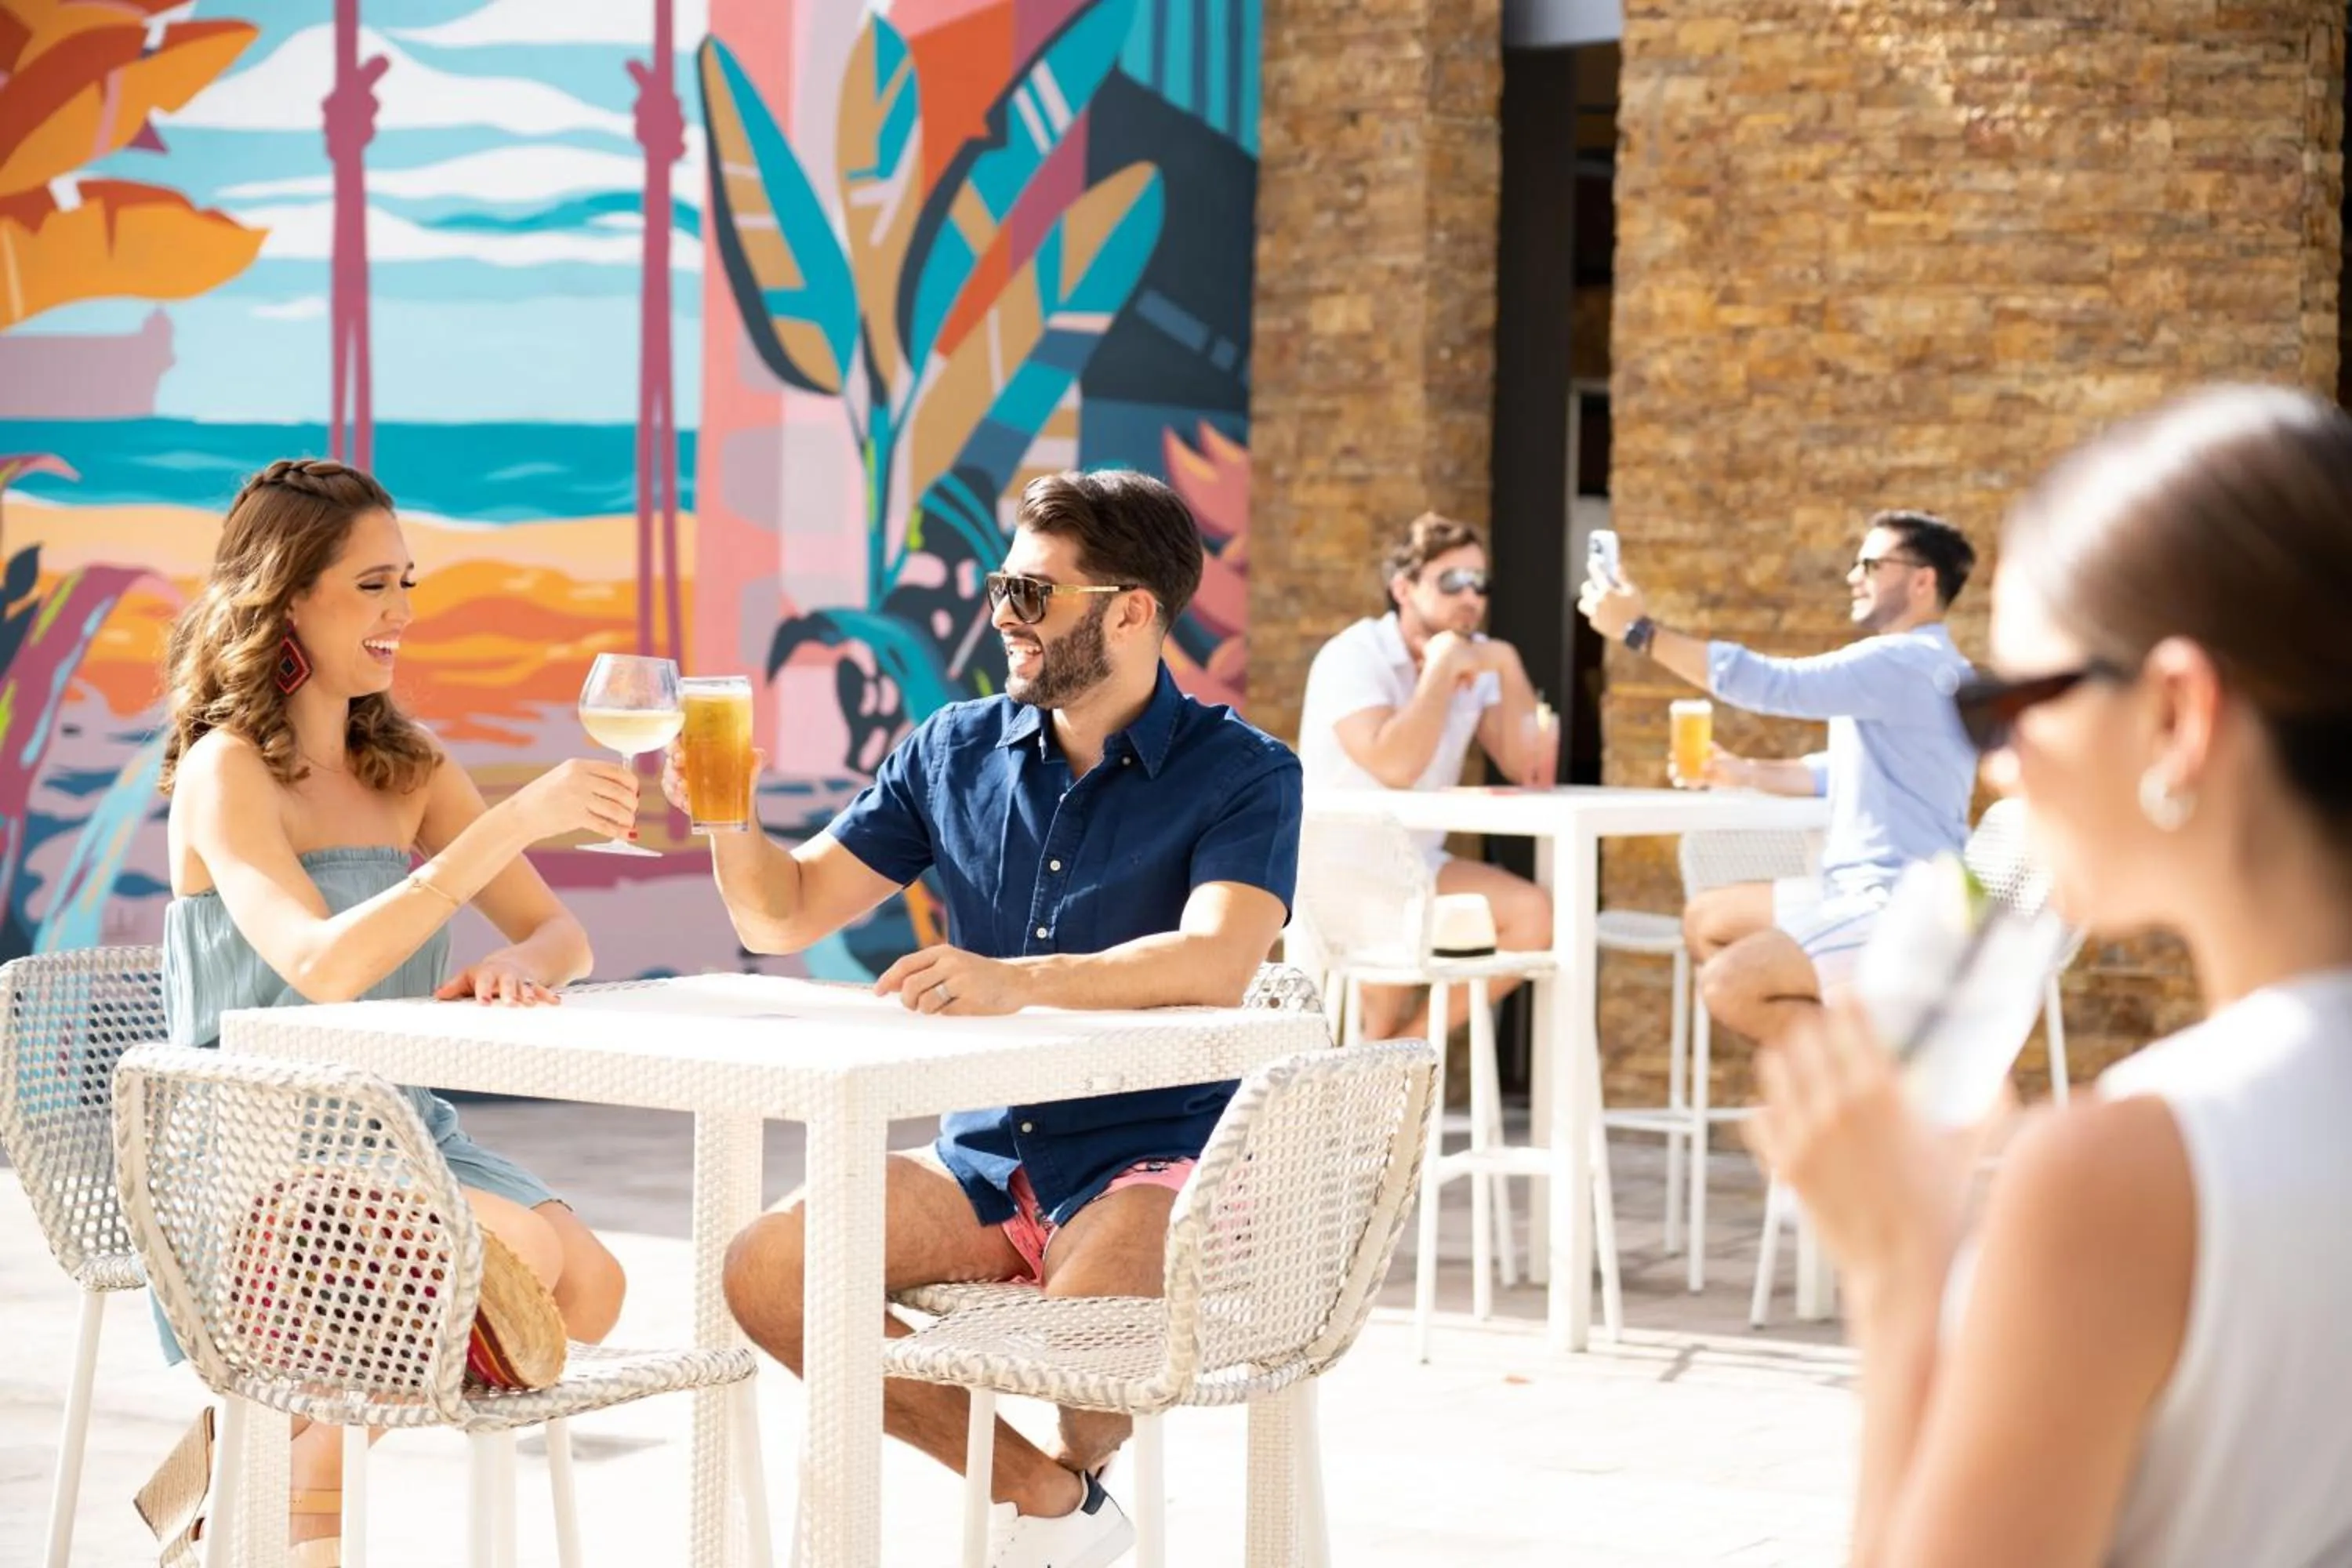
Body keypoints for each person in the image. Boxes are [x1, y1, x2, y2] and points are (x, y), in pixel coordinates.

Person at [1751, 384, 2352, 1566]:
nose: (2000, 766)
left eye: (2010, 704)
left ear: (2178, 713)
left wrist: (1898, 1274)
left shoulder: (2127, 1171)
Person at [676, 470, 1300, 1567]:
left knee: (1086, 1355)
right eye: (1003, 586)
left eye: (1031, 592)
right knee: (767, 1267)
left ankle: (1072, 1489)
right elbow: (783, 913)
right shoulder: (950, 749)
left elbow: (1218, 959)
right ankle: (1051, 1506)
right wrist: (728, 815)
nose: (1002, 615)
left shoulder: (1245, 774)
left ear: (1131, 611)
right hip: (987, 1155)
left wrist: (1022, 977)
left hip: (1151, 1155)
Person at [150, 458, 636, 1565]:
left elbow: (564, 935)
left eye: (406, 583)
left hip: (397, 1126)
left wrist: (521, 964)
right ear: (286, 597)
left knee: (590, 1294)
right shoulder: (227, 772)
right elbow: (321, 963)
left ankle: (250, 1463)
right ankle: (297, 1500)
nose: (402, 615)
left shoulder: (405, 762)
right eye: (373, 587)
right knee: (499, 1263)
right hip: (257, 1141)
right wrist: (502, 830)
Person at [1577, 510, 1977, 1047]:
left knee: (1728, 984)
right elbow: (1840, 773)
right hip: (1863, 890)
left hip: (1891, 903)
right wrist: (1741, 771)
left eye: (1871, 564)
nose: (1852, 576)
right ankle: (1848, 1042)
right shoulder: (1931, 668)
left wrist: (1639, 632)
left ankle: (1881, 1087)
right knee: (1707, 919)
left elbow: (1772, 684)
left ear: (1923, 580)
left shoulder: (1902, 660)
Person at [1295, 511, 1556, 1040]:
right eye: (1452, 581)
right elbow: (1396, 766)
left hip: (1418, 867)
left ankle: (1408, 1054)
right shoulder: (1353, 656)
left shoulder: (1477, 659)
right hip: (1342, 875)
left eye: (1480, 583)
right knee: (1386, 982)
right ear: (1403, 589)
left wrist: (1506, 665)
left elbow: (1529, 768)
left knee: (1534, 916)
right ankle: (1384, 1064)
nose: (1471, 597)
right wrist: (1438, 673)